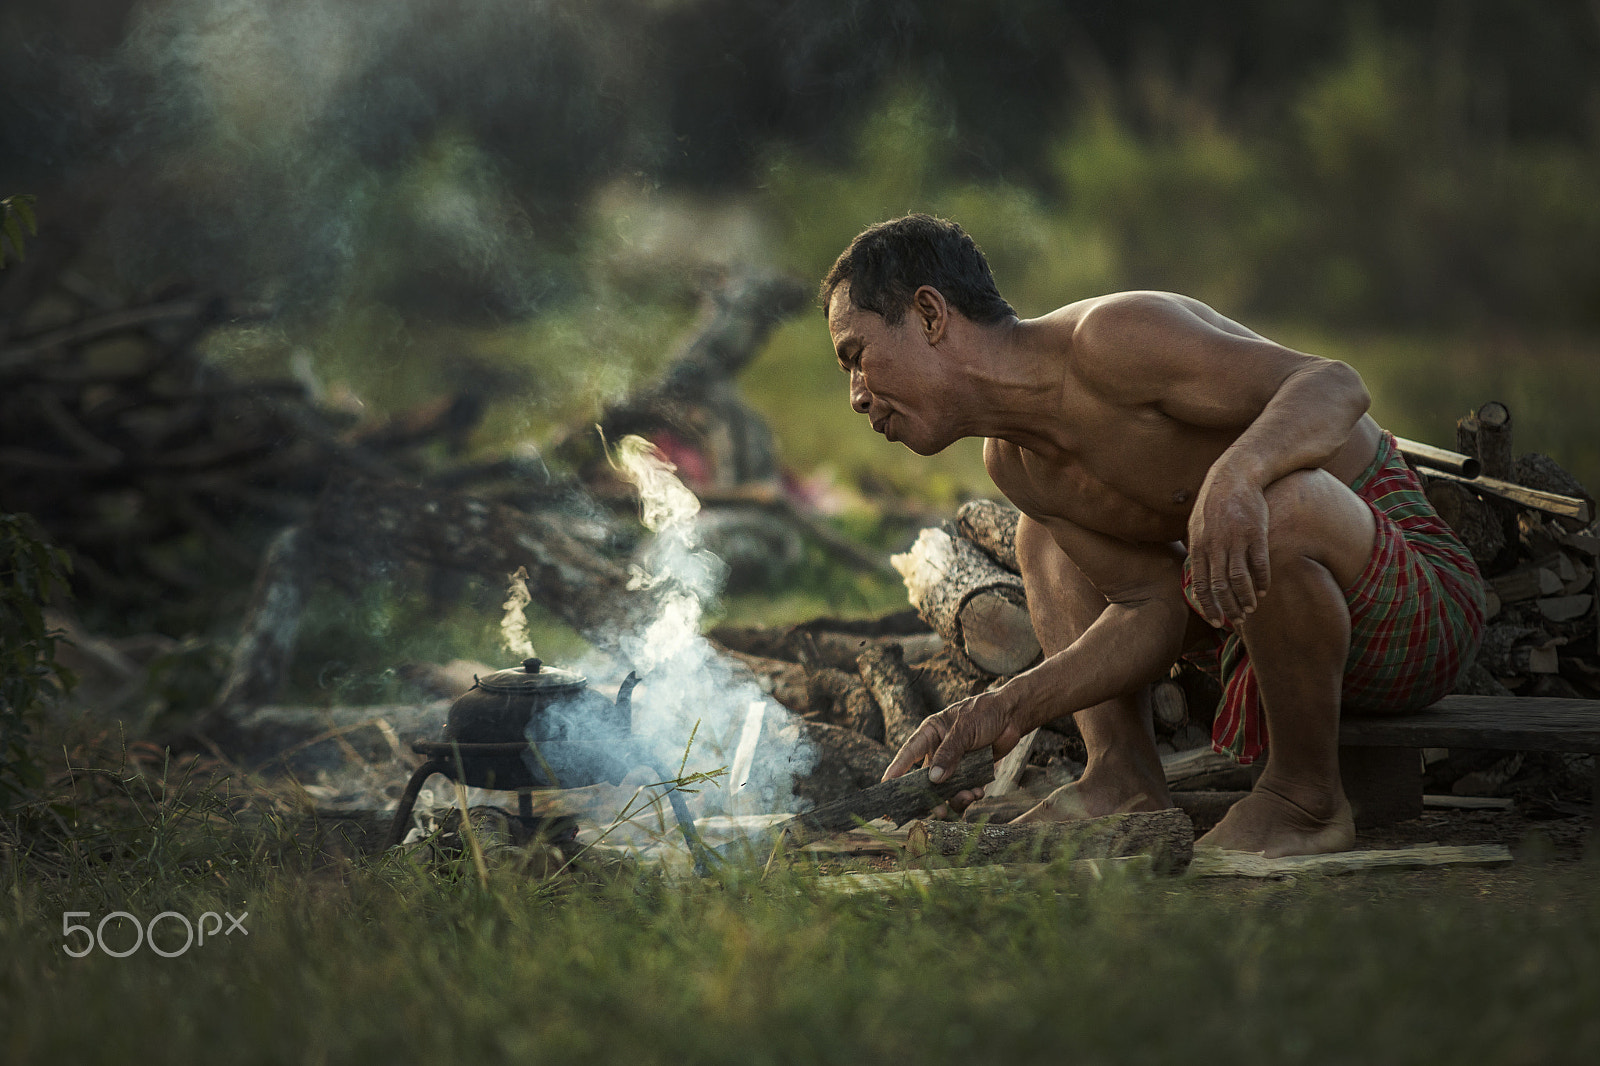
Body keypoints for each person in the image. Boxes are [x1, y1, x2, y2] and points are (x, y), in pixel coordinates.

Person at [823, 214, 1486, 857]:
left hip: (1410, 602)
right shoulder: (1015, 463)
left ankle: (1305, 796)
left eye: (857, 356)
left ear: (931, 315)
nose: (855, 394)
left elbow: (1335, 383)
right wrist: (1001, 707)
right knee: (1041, 540)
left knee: (1279, 503)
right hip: (1254, 635)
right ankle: (1122, 777)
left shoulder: (1110, 341)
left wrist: (1237, 477)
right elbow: (1153, 610)